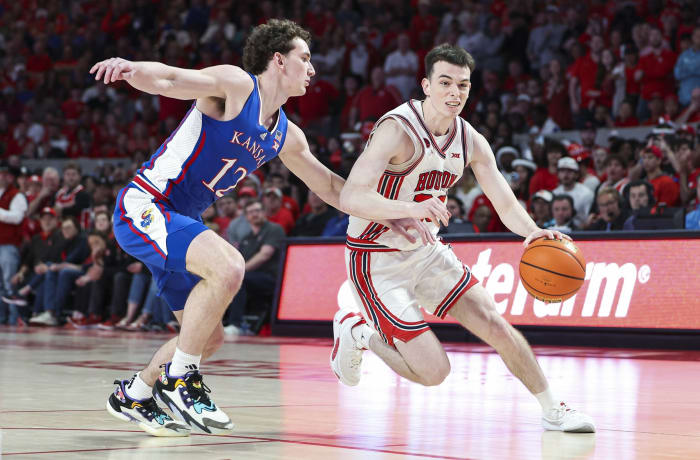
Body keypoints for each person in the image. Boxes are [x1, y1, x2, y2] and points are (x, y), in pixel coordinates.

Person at [91, 19, 418, 437]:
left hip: (182, 222)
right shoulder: (236, 86)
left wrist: (389, 212)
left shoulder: (286, 135)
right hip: (146, 205)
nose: (313, 68)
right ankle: (180, 382)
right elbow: (171, 79)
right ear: (279, 60)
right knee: (229, 266)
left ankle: (135, 393)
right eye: (305, 58)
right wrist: (130, 68)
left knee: (207, 338)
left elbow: (331, 187)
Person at [332, 44, 594, 433]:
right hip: (375, 259)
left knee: (495, 323)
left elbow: (504, 201)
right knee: (434, 372)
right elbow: (352, 196)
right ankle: (358, 331)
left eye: (463, 85)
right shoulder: (396, 129)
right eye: (445, 83)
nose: (454, 93)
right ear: (426, 85)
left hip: (425, 251)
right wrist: (411, 209)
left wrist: (533, 232)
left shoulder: (470, 139)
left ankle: (553, 408)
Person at [224, 199, 285, 335]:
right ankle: (219, 323)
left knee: (239, 279)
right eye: (250, 212)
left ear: (264, 212)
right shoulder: (247, 237)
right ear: (246, 217)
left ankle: (236, 324)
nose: (254, 214)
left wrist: (240, 272)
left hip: (271, 278)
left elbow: (265, 254)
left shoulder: (274, 229)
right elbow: (238, 260)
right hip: (251, 278)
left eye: (257, 210)